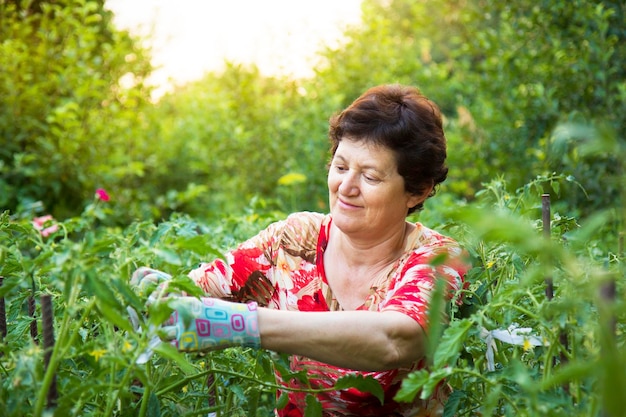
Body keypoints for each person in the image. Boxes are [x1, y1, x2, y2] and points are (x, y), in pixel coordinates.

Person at [132, 84, 469, 417]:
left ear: (417, 191)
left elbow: (395, 339)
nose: (346, 187)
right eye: (340, 167)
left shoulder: (439, 258)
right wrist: (152, 295)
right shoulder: (294, 241)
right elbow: (196, 291)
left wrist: (243, 326)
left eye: (370, 176)